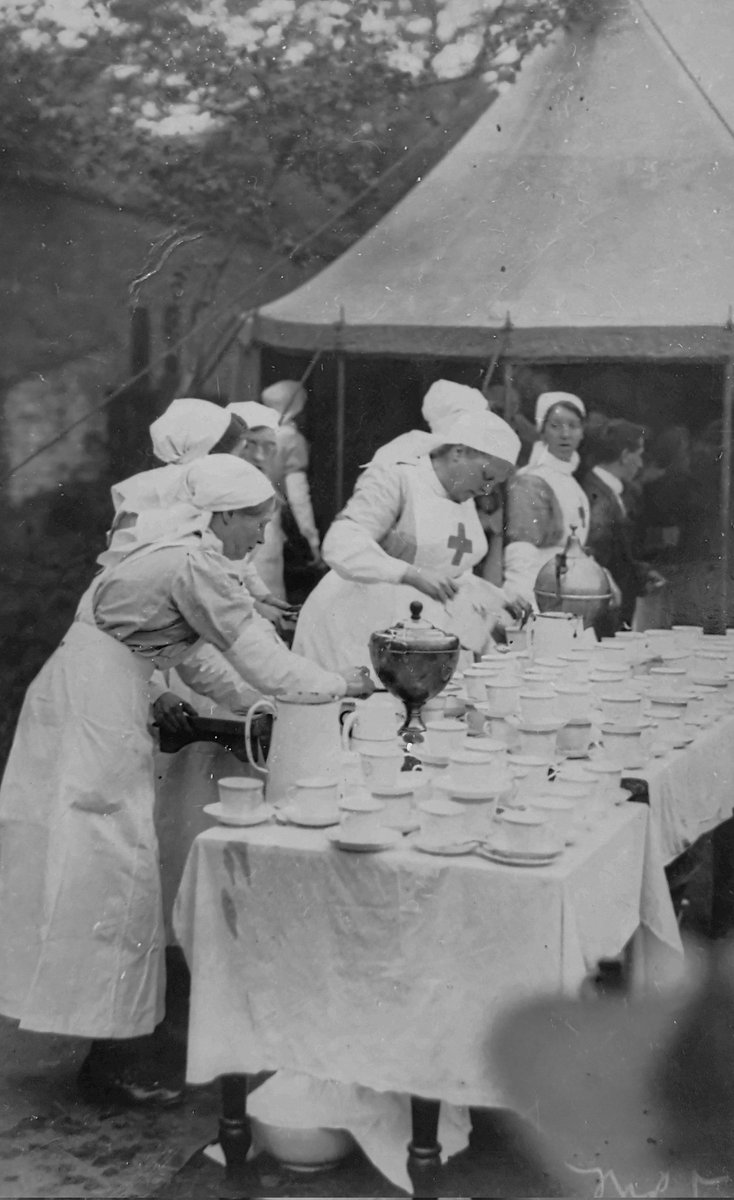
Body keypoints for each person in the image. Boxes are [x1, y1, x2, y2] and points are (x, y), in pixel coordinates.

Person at [0, 457, 373, 1108]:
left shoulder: (176, 560)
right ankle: (110, 1064)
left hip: (94, 696)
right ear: (224, 515)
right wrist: (342, 686)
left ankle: (110, 1048)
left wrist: (266, 702)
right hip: (93, 711)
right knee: (112, 878)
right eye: (257, 522)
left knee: (109, 877)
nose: (261, 537)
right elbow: (260, 657)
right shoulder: (188, 564)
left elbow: (203, 665)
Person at [294, 404, 523, 673]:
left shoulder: (464, 493)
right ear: (458, 452)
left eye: (494, 483)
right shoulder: (398, 477)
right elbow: (340, 543)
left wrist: (496, 597)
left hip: (412, 630)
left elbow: (450, 571)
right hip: (353, 623)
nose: (487, 490)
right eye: (486, 477)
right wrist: (408, 574)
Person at [503, 392, 592, 608]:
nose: (565, 434)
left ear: (582, 432)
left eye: (573, 426)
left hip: (570, 592)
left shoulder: (570, 481)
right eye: (555, 426)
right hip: (540, 593)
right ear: (541, 431)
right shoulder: (531, 481)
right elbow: (521, 552)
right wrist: (526, 604)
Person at [582, 419, 666, 635]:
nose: (640, 464)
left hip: (615, 603)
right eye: (639, 454)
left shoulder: (615, 493)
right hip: (601, 604)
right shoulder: (595, 495)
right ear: (624, 455)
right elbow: (599, 554)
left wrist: (640, 572)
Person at [261, 380, 323, 582]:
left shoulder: (250, 436)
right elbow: (298, 496)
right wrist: (312, 540)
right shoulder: (291, 440)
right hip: (264, 527)